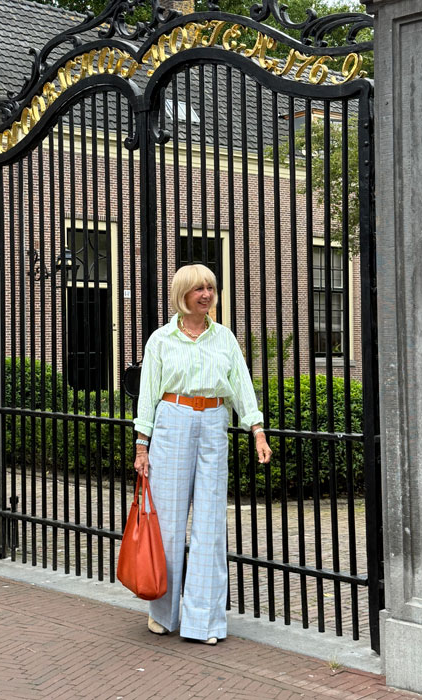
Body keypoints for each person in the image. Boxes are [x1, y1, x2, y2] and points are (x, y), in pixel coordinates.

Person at [133, 263, 272, 645]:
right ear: (183, 294)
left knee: (210, 524)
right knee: (170, 523)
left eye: (211, 287)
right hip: (172, 420)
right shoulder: (161, 340)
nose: (207, 294)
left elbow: (242, 385)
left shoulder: (224, 338)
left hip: (213, 421)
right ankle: (163, 613)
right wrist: (141, 446)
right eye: (198, 289)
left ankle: (205, 622)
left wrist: (256, 430)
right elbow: (148, 394)